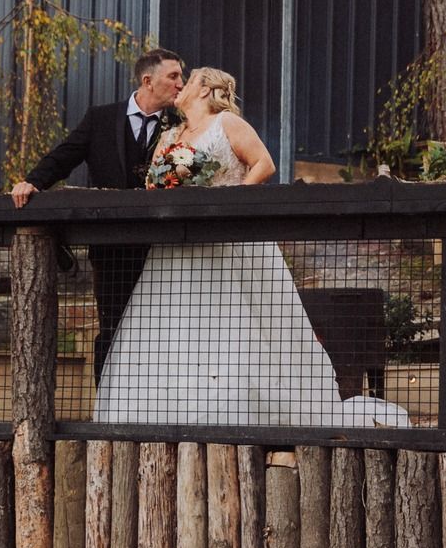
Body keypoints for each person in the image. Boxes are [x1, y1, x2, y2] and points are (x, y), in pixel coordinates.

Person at [94, 66, 411, 429]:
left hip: (227, 243)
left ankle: (240, 410)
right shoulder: (171, 135)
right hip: (177, 248)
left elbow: (264, 164)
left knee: (232, 323)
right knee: (174, 325)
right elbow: (154, 182)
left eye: (189, 79)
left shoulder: (227, 123)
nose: (180, 86)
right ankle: (165, 412)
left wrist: (230, 204)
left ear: (204, 89)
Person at [11, 48, 186, 380]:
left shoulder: (181, 124)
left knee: (164, 329)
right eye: (174, 76)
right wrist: (32, 181)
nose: (181, 83)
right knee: (112, 326)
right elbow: (65, 156)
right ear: (148, 81)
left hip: (164, 246)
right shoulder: (101, 118)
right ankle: (105, 412)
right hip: (111, 247)